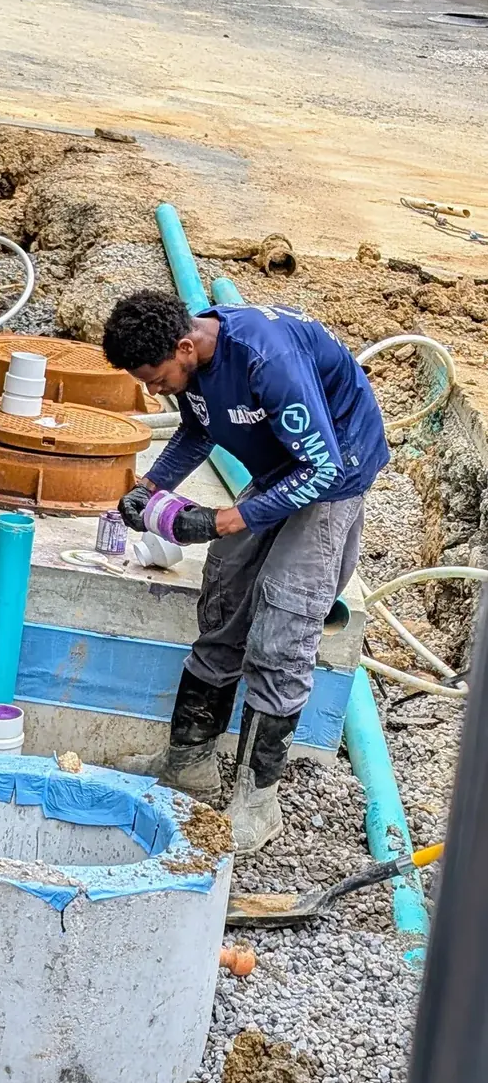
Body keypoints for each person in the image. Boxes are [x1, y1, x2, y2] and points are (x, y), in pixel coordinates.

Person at [102, 290, 389, 852]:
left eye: (155, 379)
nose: (153, 391)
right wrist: (151, 486)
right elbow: (198, 429)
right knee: (226, 594)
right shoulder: (194, 365)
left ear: (185, 346)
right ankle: (188, 763)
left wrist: (226, 519)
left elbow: (322, 468)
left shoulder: (267, 361)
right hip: (283, 466)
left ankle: (258, 803)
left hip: (334, 474)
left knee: (284, 620)